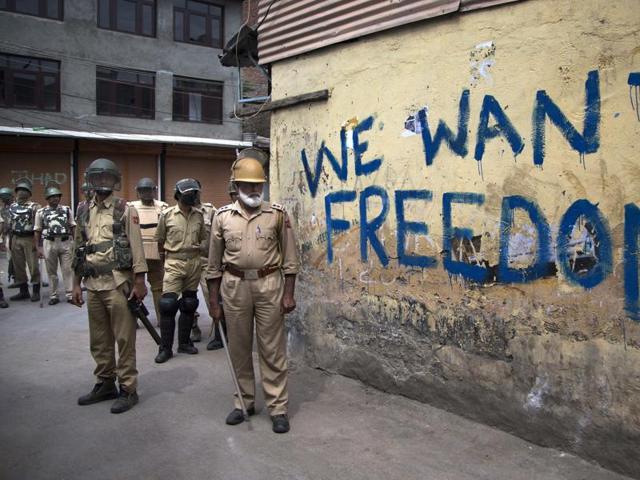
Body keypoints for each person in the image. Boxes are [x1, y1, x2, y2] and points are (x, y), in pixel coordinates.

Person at [206, 157, 299, 434]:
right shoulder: (222, 217)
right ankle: (243, 402)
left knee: (272, 349)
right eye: (248, 184)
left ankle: (278, 408)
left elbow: (291, 260)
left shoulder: (278, 215)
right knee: (239, 347)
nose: (254, 189)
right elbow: (212, 265)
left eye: (258, 185)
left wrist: (289, 294)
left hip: (269, 284)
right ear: (236, 186)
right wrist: (214, 301)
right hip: (234, 286)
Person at [71, 158, 147, 414]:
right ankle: (105, 383)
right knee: (99, 340)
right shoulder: (83, 209)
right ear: (91, 180)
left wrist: (140, 282)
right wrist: (75, 284)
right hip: (93, 284)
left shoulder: (125, 209)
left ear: (114, 181)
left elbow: (137, 248)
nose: (102, 182)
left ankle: (128, 389)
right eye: (98, 177)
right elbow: (78, 249)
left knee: (125, 340)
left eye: (107, 177)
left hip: (118, 284)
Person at [154, 178, 206, 364]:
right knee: (168, 305)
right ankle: (165, 348)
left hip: (193, 261)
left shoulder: (199, 216)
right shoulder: (167, 215)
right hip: (174, 262)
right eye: (188, 193)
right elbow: (159, 240)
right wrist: (165, 263)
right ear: (178, 195)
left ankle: (184, 342)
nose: (192, 196)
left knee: (190, 303)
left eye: (194, 193)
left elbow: (201, 238)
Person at [128, 178, 168, 325]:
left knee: (159, 288)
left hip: (156, 253)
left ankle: (161, 319)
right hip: (135, 254)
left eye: (148, 190)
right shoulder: (130, 207)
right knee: (134, 287)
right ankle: (136, 320)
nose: (145, 193)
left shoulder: (163, 207)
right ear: (137, 192)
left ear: (154, 190)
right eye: (142, 191)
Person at [34, 183, 75, 305]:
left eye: (57, 196)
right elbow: (37, 230)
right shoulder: (41, 212)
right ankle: (54, 295)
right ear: (47, 198)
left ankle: (69, 294)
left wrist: (76, 243)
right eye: (52, 196)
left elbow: (73, 226)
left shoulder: (66, 210)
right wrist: (38, 247)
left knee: (67, 269)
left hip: (65, 242)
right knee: (51, 271)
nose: (55, 198)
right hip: (49, 242)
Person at [8, 178, 41, 302]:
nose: (21, 192)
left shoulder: (35, 206)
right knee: (18, 266)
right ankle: (23, 290)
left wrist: (38, 243)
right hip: (16, 237)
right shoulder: (12, 207)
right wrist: (10, 241)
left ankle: (36, 291)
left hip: (29, 238)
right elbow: (10, 224)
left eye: (24, 190)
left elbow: (39, 225)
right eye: (19, 190)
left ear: (29, 192)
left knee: (33, 266)